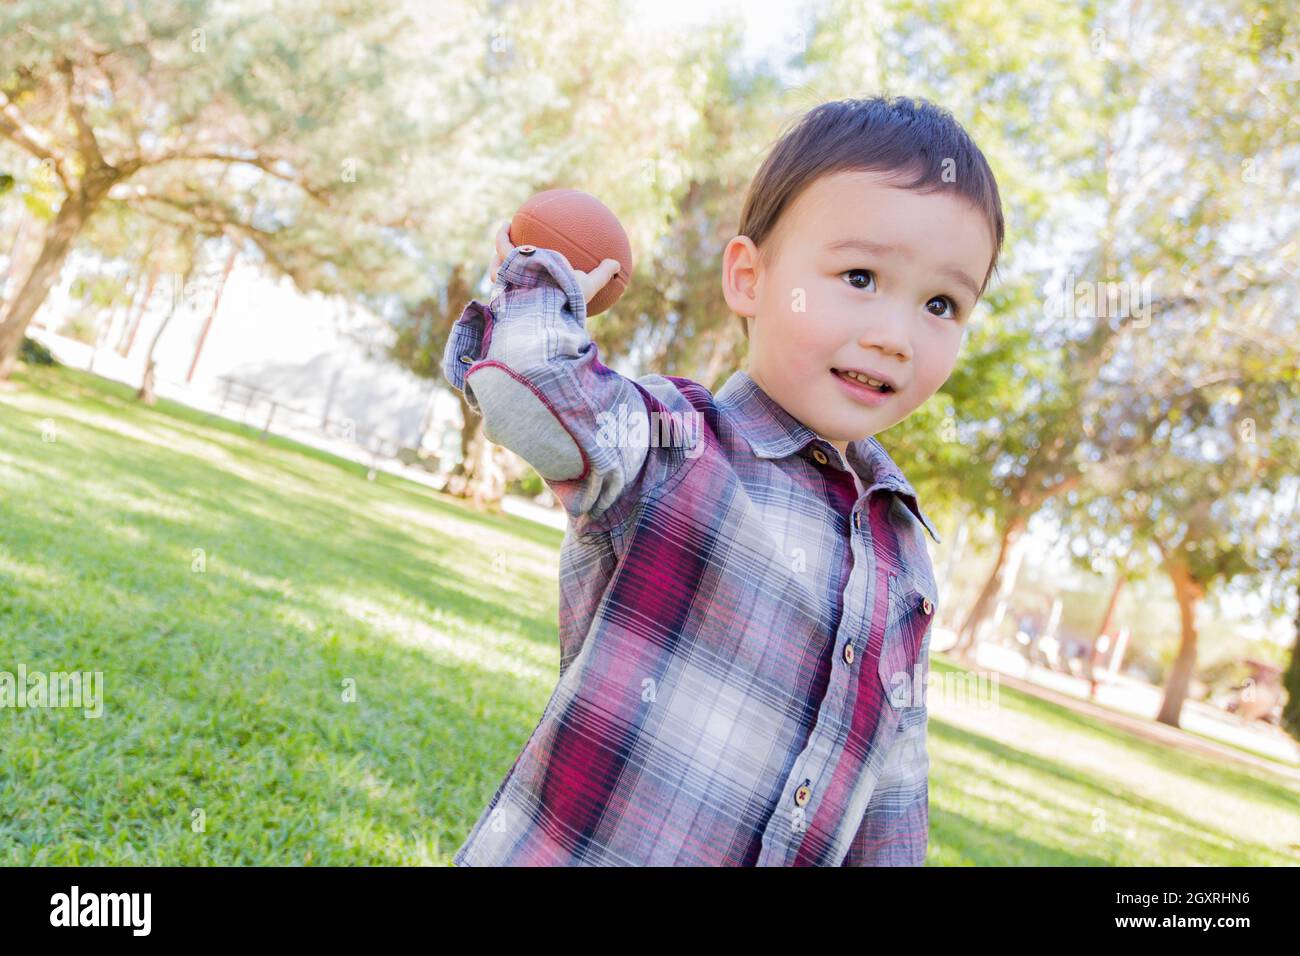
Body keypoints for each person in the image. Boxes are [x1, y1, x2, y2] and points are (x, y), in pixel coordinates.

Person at [442, 95, 1004, 866]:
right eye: (861, 276)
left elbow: (893, 779)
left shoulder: (904, 552)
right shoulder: (673, 443)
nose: (895, 336)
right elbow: (527, 388)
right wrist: (541, 276)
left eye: (942, 303)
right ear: (749, 278)